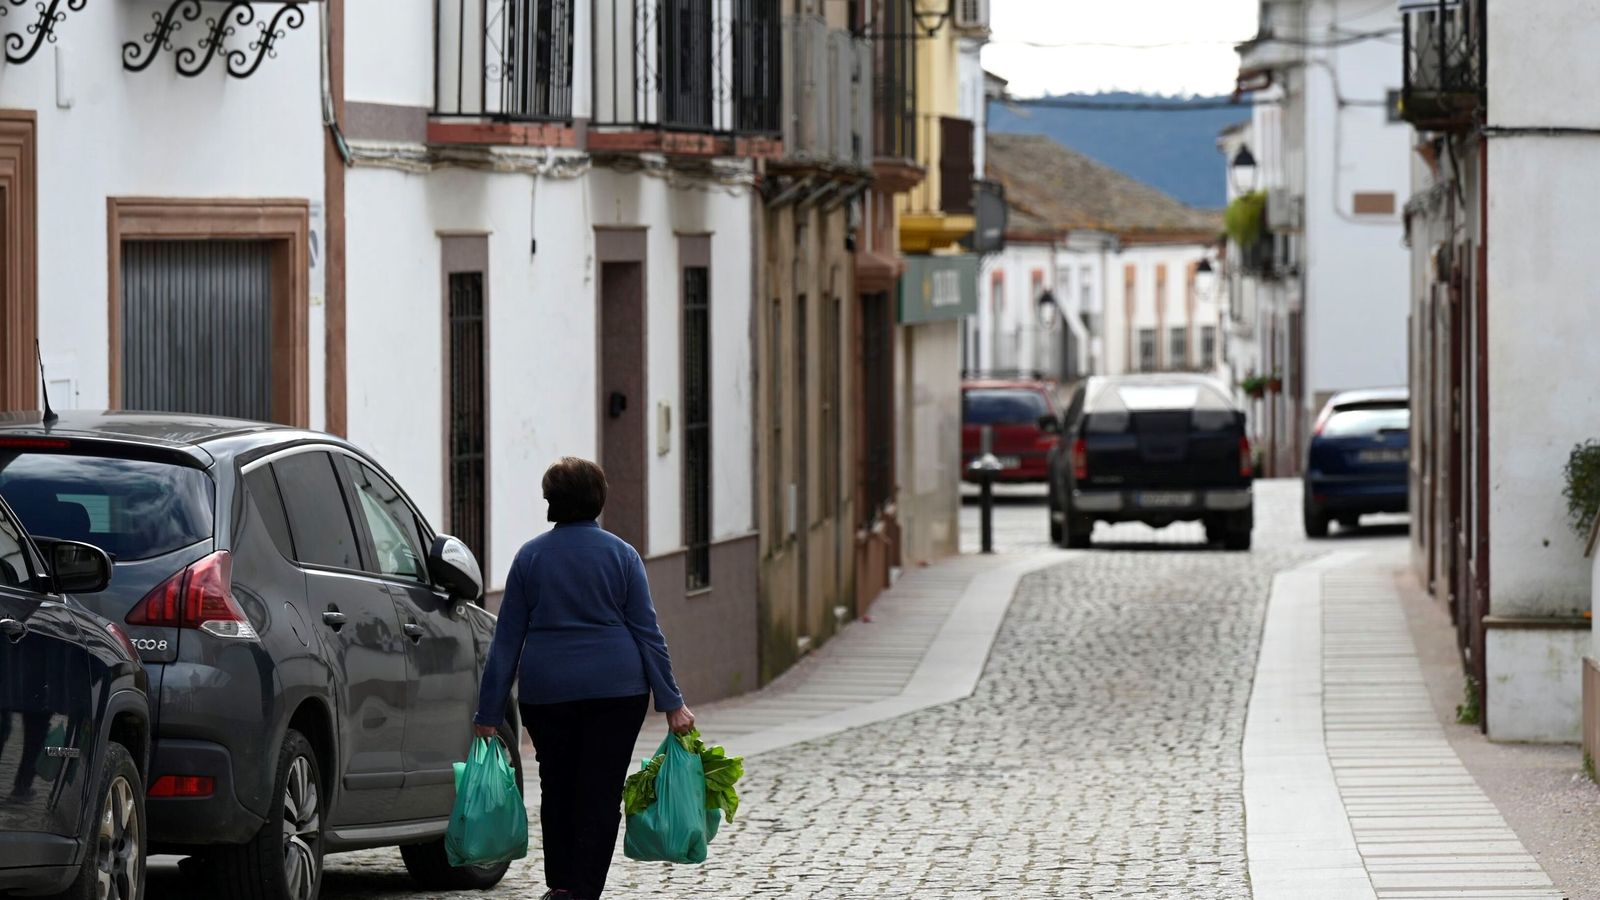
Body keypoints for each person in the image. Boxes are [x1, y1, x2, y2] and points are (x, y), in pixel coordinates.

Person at [473, 457, 694, 900]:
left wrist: (488, 711)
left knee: (557, 787)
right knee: (600, 791)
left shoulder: (529, 558)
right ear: (599, 499)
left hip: (548, 693)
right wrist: (672, 702)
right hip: (618, 692)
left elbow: (505, 641)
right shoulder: (622, 556)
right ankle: (584, 890)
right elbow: (648, 633)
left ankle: (560, 886)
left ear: (550, 502)